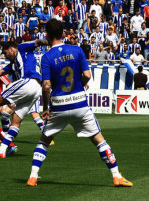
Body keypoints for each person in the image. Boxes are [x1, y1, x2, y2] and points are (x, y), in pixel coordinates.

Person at [26, 19, 133, 187]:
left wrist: (45, 109)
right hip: (79, 104)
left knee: (44, 141)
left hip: (58, 106)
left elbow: (46, 87)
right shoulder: (76, 50)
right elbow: (88, 76)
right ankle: (116, 175)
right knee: (99, 140)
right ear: (63, 33)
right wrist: (80, 83)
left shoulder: (46, 57)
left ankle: (33, 176)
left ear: (46, 35)